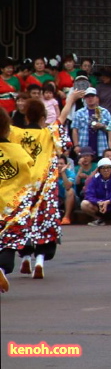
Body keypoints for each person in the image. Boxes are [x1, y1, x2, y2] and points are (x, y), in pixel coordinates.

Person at [9, 92, 80, 280]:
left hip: (22, 189)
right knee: (44, 224)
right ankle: (39, 259)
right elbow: (62, 118)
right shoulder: (49, 133)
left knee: (22, 223)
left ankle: (24, 258)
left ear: (26, 116)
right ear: (42, 117)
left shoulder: (16, 133)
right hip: (45, 190)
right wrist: (71, 99)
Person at [0, 107, 35, 293]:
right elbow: (28, 175)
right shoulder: (18, 152)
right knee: (9, 243)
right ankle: (2, 269)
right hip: (11, 205)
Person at [80, 157, 111, 226]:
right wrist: (98, 202)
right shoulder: (94, 179)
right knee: (84, 204)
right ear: (99, 170)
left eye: (108, 168)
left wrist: (109, 201)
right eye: (103, 168)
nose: (106, 170)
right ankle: (98, 219)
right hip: (99, 206)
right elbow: (89, 195)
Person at [57, 155, 77, 225]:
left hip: (71, 199)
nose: (59, 165)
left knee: (70, 191)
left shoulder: (71, 173)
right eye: (57, 164)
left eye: (61, 164)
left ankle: (66, 217)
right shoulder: (51, 174)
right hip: (57, 198)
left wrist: (62, 173)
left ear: (66, 165)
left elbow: (67, 186)